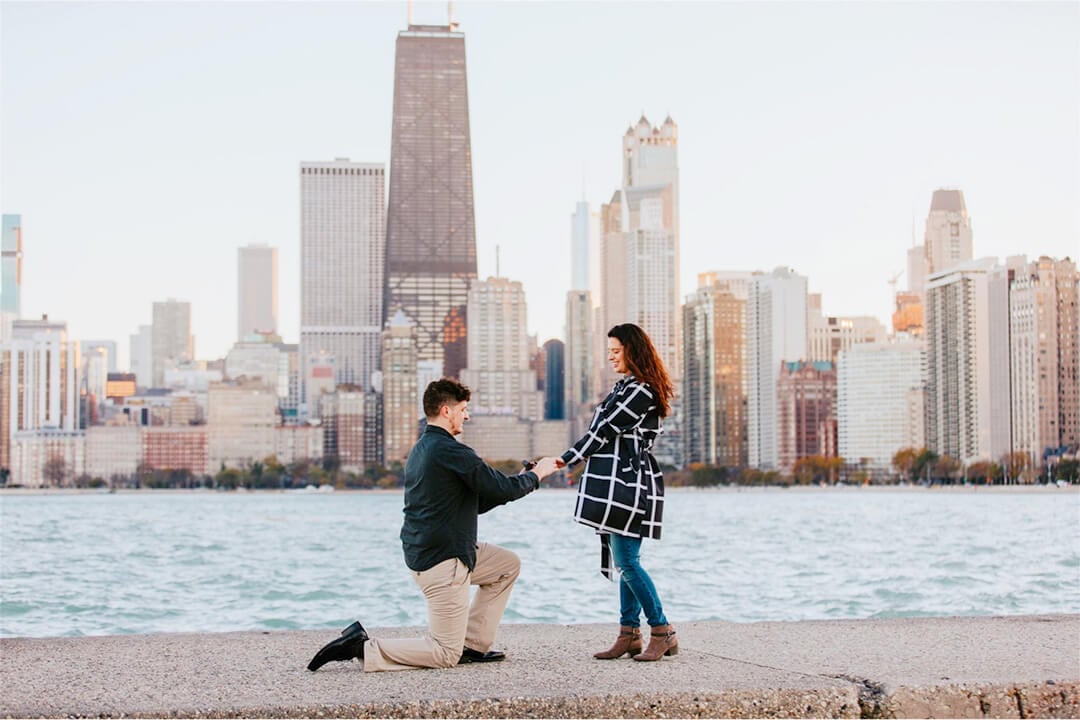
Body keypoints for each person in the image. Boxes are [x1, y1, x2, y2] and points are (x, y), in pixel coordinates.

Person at [307, 378, 560, 672]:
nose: (467, 415)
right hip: (444, 560)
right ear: (446, 411)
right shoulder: (452, 451)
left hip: (434, 551)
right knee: (443, 654)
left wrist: (521, 479)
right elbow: (501, 489)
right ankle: (362, 647)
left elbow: (476, 502)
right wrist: (537, 475)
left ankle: (473, 644)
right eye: (463, 409)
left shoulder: (422, 449)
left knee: (506, 566)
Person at [556, 323, 678, 662]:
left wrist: (565, 459)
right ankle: (629, 634)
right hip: (612, 483)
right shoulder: (623, 388)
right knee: (626, 562)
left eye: (615, 351)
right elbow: (599, 430)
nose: (610, 357)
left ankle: (662, 630)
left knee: (627, 562)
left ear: (632, 351)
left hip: (629, 483)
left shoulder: (642, 391)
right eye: (608, 351)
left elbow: (604, 431)